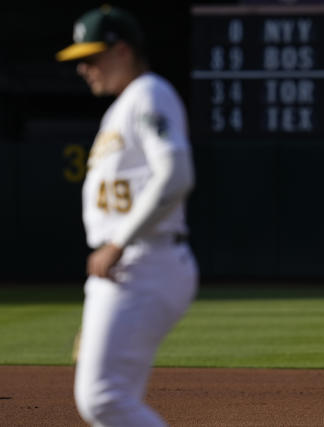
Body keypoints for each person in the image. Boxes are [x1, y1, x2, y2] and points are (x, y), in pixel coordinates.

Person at [56, 5, 198, 426]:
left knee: (103, 399)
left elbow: (176, 174)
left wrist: (118, 242)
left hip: (143, 258)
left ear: (121, 51)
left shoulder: (149, 93)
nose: (83, 68)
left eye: (91, 56)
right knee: (107, 401)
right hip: (127, 265)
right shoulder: (121, 108)